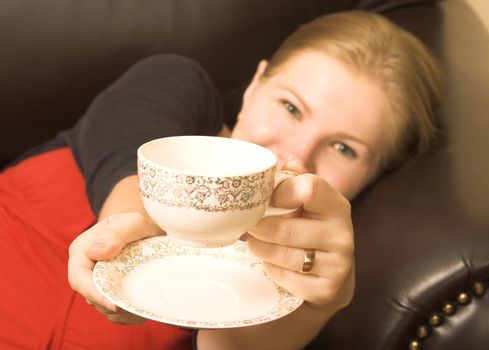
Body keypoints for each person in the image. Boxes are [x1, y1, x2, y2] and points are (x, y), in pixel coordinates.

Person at [0, 10, 442, 350]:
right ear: (253, 87)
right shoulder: (180, 89)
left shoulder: (294, 267)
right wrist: (132, 228)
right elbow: (128, 142)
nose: (294, 154)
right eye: (290, 107)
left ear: (373, 177)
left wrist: (316, 307)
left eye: (344, 148)